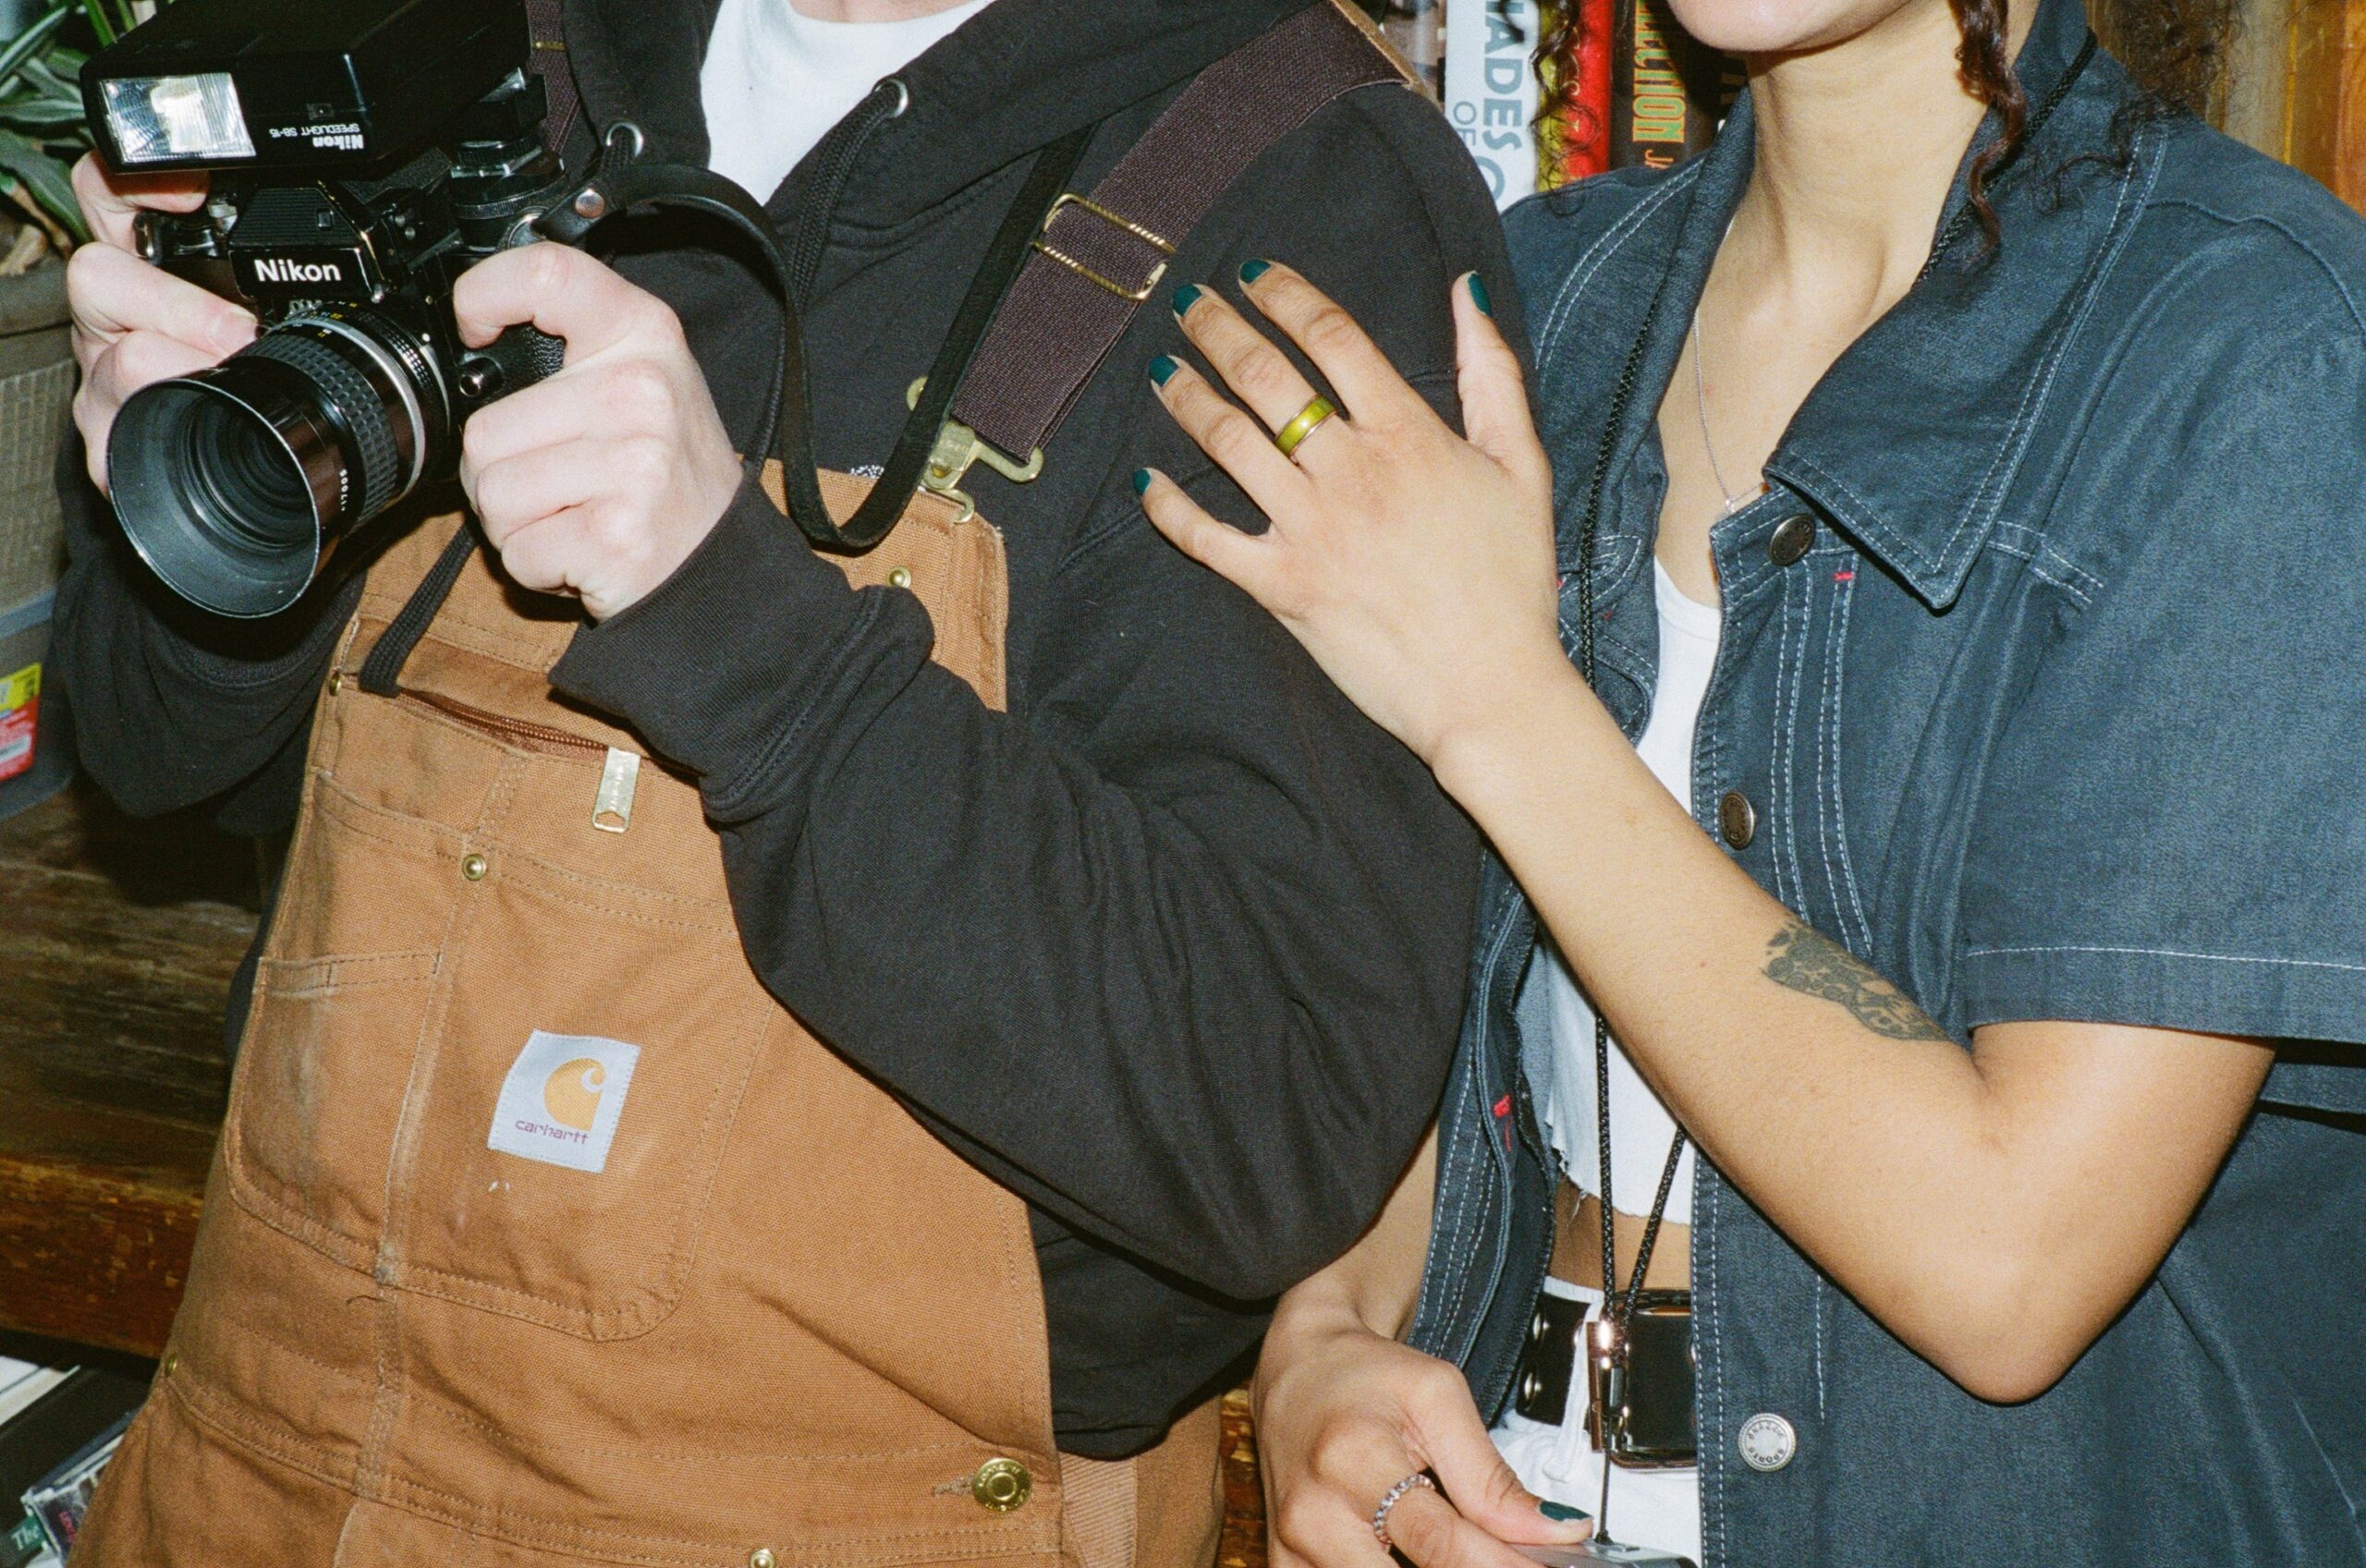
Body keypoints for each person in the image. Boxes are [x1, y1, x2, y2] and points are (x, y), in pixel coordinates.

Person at [54, 0, 1519, 1562]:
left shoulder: (1301, 177)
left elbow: (1268, 1112)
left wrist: (732, 617)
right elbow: (151, 762)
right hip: (236, 1481)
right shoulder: (469, 50)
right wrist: (205, 478)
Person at [1130, 0, 2366, 1558]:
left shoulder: (2258, 351)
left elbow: (2011, 1257)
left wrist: (1497, 699)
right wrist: (1325, 1332)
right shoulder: (1543, 295)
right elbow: (1425, 1004)